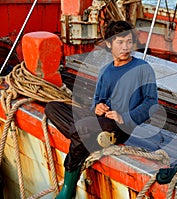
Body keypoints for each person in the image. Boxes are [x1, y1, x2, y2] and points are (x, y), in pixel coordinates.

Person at [45, 20, 158, 199]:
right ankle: (94, 137)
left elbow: (152, 104)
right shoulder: (106, 70)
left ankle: (67, 188)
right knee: (52, 107)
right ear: (109, 44)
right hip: (99, 121)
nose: (125, 47)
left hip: (119, 126)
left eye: (129, 42)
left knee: (82, 128)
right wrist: (96, 107)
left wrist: (125, 117)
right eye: (120, 42)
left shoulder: (142, 68)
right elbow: (98, 100)